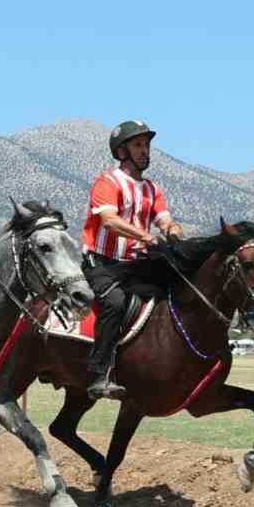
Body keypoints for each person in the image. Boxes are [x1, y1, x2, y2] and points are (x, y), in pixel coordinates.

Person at [80, 119, 185, 398]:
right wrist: (146, 237)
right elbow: (109, 221)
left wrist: (172, 230)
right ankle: (97, 374)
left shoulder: (152, 189)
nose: (145, 151)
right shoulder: (107, 182)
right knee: (114, 302)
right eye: (138, 145)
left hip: (134, 266)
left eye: (147, 145)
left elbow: (165, 220)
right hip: (102, 263)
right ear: (122, 151)